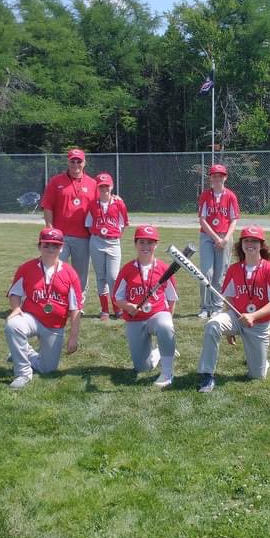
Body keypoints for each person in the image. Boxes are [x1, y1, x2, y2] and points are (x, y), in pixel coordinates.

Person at [197, 226, 270, 393]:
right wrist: (228, 328)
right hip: (235, 318)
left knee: (256, 376)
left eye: (254, 241)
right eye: (246, 241)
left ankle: (261, 361)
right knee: (213, 325)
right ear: (241, 244)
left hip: (258, 324)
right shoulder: (234, 269)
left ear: (261, 245)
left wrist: (253, 316)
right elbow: (228, 299)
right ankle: (207, 374)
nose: (250, 244)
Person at [5, 227, 83, 390]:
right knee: (13, 325)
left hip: (54, 325)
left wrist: (73, 336)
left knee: (48, 369)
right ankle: (23, 373)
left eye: (55, 245)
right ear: (39, 246)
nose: (50, 249)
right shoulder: (26, 268)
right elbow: (15, 293)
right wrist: (15, 308)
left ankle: (23, 352)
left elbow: (75, 308)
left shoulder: (70, 273)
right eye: (46, 245)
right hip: (32, 318)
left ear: (61, 248)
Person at [113, 225, 179, 387]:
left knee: (165, 326)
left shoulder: (164, 269)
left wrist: (168, 324)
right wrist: (129, 306)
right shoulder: (127, 270)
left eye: (150, 243)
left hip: (157, 314)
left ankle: (167, 372)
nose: (146, 247)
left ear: (156, 245)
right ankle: (157, 352)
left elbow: (171, 299)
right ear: (135, 244)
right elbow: (116, 298)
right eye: (142, 242)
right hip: (135, 319)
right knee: (142, 368)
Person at [40, 148, 99, 299]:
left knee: (81, 273)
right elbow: (48, 206)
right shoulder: (56, 181)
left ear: (84, 163)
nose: (75, 164)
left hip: (84, 236)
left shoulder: (93, 184)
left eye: (79, 161)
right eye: (72, 161)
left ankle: (78, 302)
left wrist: (115, 200)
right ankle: (54, 298)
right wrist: (49, 228)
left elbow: (102, 205)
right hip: (60, 236)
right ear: (68, 162)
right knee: (54, 268)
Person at [197, 163, 240, 319]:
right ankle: (204, 307)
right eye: (214, 176)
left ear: (225, 178)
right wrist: (216, 238)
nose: (217, 179)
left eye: (220, 176)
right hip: (208, 236)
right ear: (210, 179)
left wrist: (225, 239)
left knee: (220, 274)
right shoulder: (205, 195)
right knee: (206, 273)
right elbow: (202, 220)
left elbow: (234, 220)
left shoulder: (230, 196)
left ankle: (217, 306)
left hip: (225, 236)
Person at [85, 172, 129, 320]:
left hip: (113, 242)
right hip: (96, 241)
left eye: (106, 186)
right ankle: (104, 310)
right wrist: (98, 234)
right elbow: (89, 224)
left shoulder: (119, 203)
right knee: (101, 277)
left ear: (111, 186)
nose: (104, 188)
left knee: (113, 277)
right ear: (97, 188)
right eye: (101, 186)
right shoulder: (92, 204)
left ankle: (117, 309)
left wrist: (114, 235)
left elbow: (123, 224)